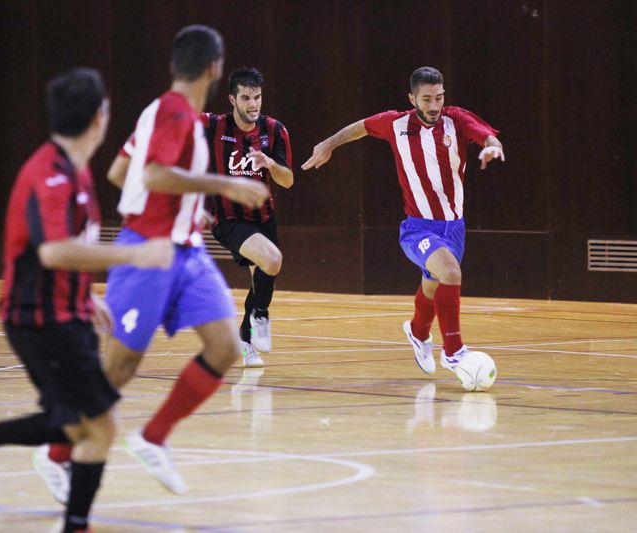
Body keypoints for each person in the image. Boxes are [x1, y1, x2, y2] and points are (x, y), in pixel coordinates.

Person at [33, 25, 269, 502]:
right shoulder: (174, 113)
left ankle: (153, 437)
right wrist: (221, 188)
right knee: (119, 367)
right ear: (215, 69)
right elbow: (154, 173)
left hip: (186, 249)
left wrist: (183, 209)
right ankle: (55, 452)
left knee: (224, 346)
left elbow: (121, 172)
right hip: (147, 252)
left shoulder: (161, 112)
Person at [0, 67, 173, 533]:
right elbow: (52, 250)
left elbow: (63, 246)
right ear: (97, 118)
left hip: (64, 313)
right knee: (100, 427)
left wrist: (87, 296)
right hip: (39, 318)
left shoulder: (78, 172)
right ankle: (75, 524)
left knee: (73, 423)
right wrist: (136, 254)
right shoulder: (50, 174)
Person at [302, 66, 504, 376]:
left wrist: (492, 146)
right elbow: (359, 128)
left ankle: (417, 331)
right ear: (412, 98)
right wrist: (328, 144)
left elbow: (485, 134)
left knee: (433, 284)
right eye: (426, 99)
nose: (434, 106)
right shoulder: (395, 124)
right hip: (418, 228)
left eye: (439, 97)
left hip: (455, 227)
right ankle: (454, 353)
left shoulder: (455, 119)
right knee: (450, 272)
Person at [201, 67, 294, 367]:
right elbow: (177, 120)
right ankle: (262, 317)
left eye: (257, 97)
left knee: (261, 278)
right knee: (272, 260)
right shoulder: (214, 126)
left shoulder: (275, 130)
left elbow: (288, 180)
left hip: (264, 217)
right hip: (227, 218)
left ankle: (244, 338)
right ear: (232, 99)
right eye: (246, 98)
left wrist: (269, 162)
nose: (253, 104)